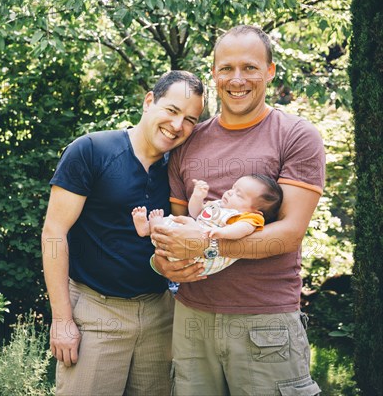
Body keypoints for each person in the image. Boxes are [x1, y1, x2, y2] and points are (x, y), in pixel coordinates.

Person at [151, 25, 325, 395]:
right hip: (191, 318)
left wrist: (204, 245)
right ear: (214, 73)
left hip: (265, 320)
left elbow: (289, 233)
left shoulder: (295, 135)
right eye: (226, 68)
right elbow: (178, 226)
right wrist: (162, 261)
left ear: (270, 71)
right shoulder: (188, 140)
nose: (237, 79)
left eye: (249, 67)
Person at [41, 70, 205, 396]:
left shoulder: (177, 168)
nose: (177, 126)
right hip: (97, 312)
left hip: (160, 313)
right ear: (148, 102)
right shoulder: (91, 150)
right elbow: (54, 232)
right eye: (171, 111)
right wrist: (61, 319)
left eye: (189, 119)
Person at [132, 174, 282, 276]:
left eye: (239, 194)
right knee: (175, 221)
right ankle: (147, 228)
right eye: (233, 188)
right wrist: (198, 197)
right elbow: (195, 212)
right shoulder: (219, 205)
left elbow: (242, 230)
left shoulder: (249, 218)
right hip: (184, 243)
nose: (230, 193)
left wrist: (222, 233)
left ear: (256, 211)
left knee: (175, 226)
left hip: (205, 258)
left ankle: (154, 228)